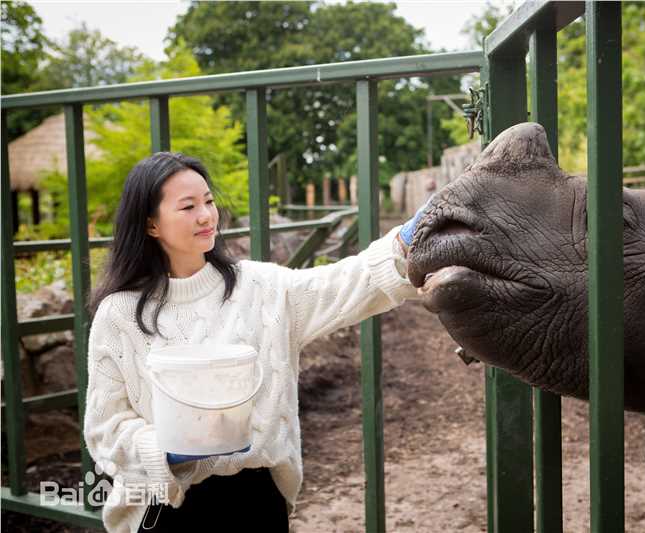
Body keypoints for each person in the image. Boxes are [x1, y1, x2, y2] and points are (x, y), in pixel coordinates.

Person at [83, 152, 427, 532]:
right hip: (165, 505)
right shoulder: (119, 314)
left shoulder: (261, 288)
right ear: (151, 225)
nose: (206, 216)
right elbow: (105, 428)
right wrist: (163, 448)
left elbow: (343, 284)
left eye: (208, 201)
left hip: (256, 501)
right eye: (188, 206)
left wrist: (407, 240)